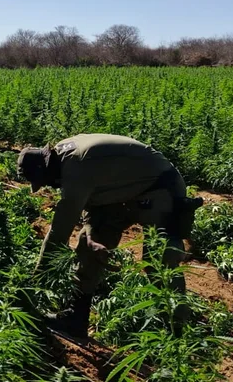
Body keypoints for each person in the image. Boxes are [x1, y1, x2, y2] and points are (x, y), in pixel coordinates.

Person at [17, 134, 202, 337]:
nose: (52, 187)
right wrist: (92, 235)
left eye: (46, 182)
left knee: (159, 260)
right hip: (124, 191)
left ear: (46, 170)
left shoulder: (75, 167)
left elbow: (59, 231)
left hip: (160, 187)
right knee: (88, 243)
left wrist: (35, 282)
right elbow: (96, 193)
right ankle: (76, 318)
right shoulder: (62, 155)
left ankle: (177, 334)